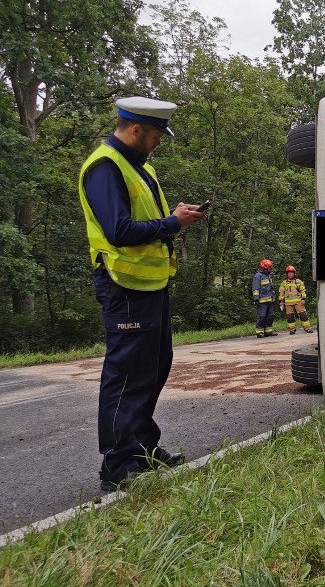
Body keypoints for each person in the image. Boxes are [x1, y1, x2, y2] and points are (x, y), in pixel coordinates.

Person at [79, 96, 206, 491]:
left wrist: (173, 216)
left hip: (149, 285)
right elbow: (118, 231)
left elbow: (144, 221)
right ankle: (117, 466)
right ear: (135, 130)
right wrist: (172, 223)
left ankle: (142, 450)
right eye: (155, 136)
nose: (157, 143)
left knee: (154, 366)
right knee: (127, 372)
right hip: (123, 285)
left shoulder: (140, 168)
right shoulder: (104, 167)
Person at [279, 265, 312, 335]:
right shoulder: (284, 283)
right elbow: (281, 293)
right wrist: (281, 301)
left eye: (291, 272)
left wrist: (303, 299)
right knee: (290, 317)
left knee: (303, 315)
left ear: (294, 273)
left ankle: (307, 328)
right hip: (288, 303)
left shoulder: (298, 282)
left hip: (299, 302)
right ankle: (292, 330)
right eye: (288, 273)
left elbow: (303, 290)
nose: (290, 274)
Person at [252, 259, 279, 338]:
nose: (271, 269)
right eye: (270, 268)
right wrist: (256, 298)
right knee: (262, 316)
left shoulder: (268, 276)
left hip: (269, 300)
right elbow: (255, 288)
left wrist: (273, 297)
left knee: (270, 316)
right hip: (261, 301)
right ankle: (259, 332)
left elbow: (270, 288)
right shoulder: (258, 276)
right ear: (265, 268)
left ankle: (268, 331)